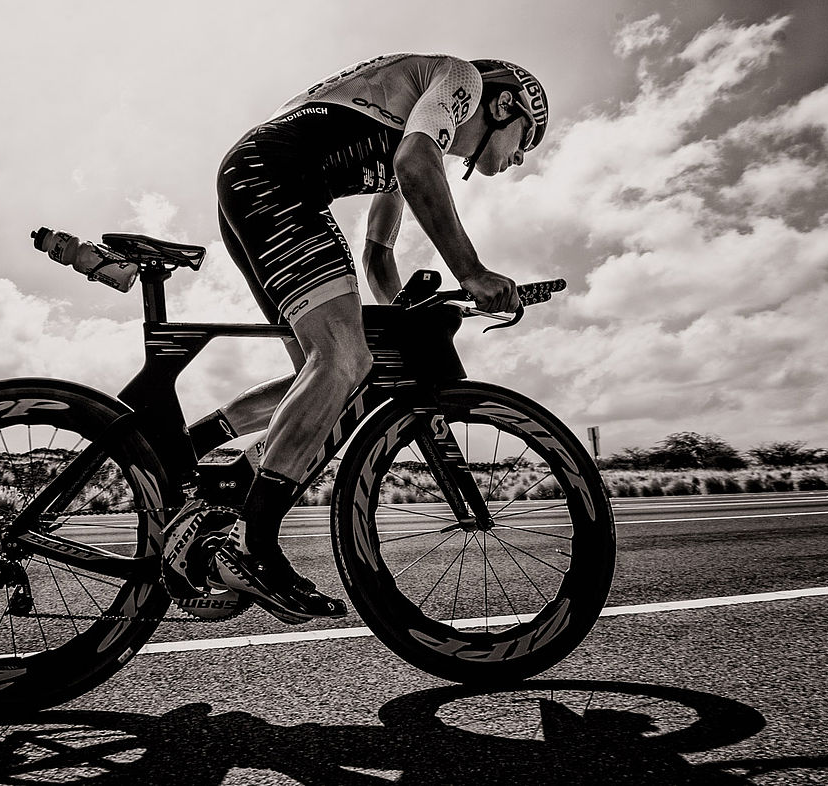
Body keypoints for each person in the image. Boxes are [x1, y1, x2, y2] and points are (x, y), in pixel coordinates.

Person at [163, 54, 549, 624]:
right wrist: (471, 272)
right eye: (526, 138)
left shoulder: (413, 126)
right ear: (502, 104)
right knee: (344, 357)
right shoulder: (460, 79)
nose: (519, 156)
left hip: (254, 179)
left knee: (323, 381)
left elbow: (378, 255)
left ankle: (190, 461)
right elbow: (419, 167)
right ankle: (255, 547)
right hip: (277, 180)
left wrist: (403, 317)